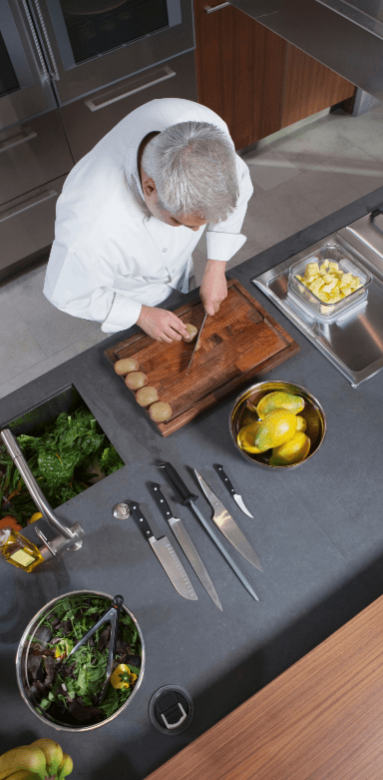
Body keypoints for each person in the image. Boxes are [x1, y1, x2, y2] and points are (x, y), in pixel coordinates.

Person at [44, 98, 253, 343]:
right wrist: (140, 315)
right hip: (132, 292)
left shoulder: (204, 135)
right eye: (181, 222)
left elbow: (239, 189)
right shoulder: (90, 228)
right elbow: (67, 293)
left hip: (178, 270)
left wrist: (216, 266)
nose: (197, 232)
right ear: (150, 188)